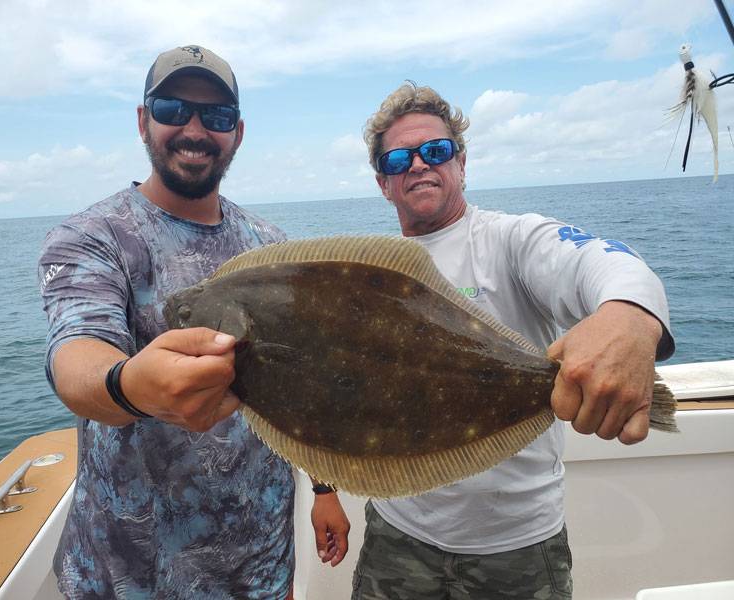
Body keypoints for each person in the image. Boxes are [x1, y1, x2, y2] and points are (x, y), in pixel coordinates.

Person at [38, 45, 349, 600]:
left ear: (238, 133)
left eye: (217, 116)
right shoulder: (92, 236)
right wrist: (128, 385)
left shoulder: (273, 249)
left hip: (262, 569)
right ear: (143, 121)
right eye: (173, 109)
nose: (195, 129)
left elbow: (302, 391)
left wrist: (324, 489)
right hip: (130, 579)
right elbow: (78, 354)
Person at [350, 82, 675, 600]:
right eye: (397, 160)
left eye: (434, 151)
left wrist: (629, 315)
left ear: (460, 164)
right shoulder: (372, 276)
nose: (417, 165)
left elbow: (596, 259)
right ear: (383, 183)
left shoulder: (511, 239)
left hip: (518, 543)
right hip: (398, 533)